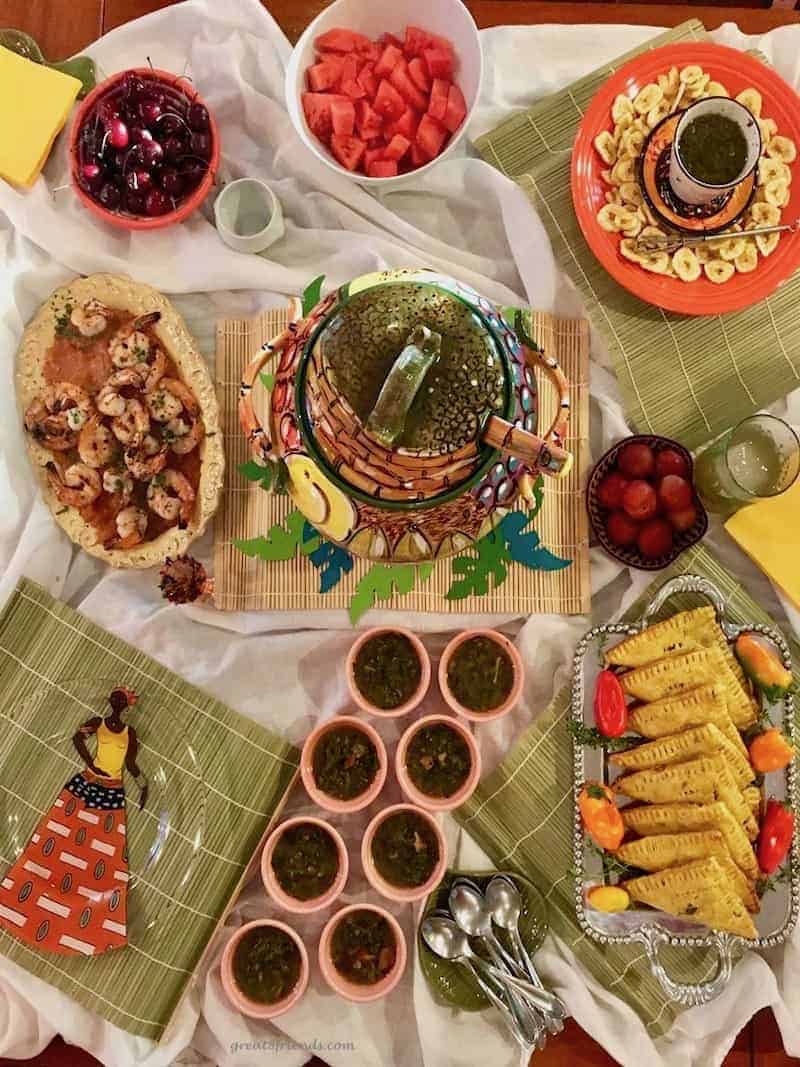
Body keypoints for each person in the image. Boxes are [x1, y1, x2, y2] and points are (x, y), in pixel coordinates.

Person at [0, 687, 147, 956]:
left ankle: (94, 928)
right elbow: (77, 739)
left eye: (120, 703)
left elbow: (131, 763)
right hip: (88, 781)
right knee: (56, 839)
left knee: (106, 851)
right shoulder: (97, 724)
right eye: (115, 701)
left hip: (112, 788)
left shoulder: (130, 734)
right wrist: (92, 762)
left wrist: (141, 783)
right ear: (111, 703)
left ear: (124, 707)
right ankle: (20, 903)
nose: (116, 706)